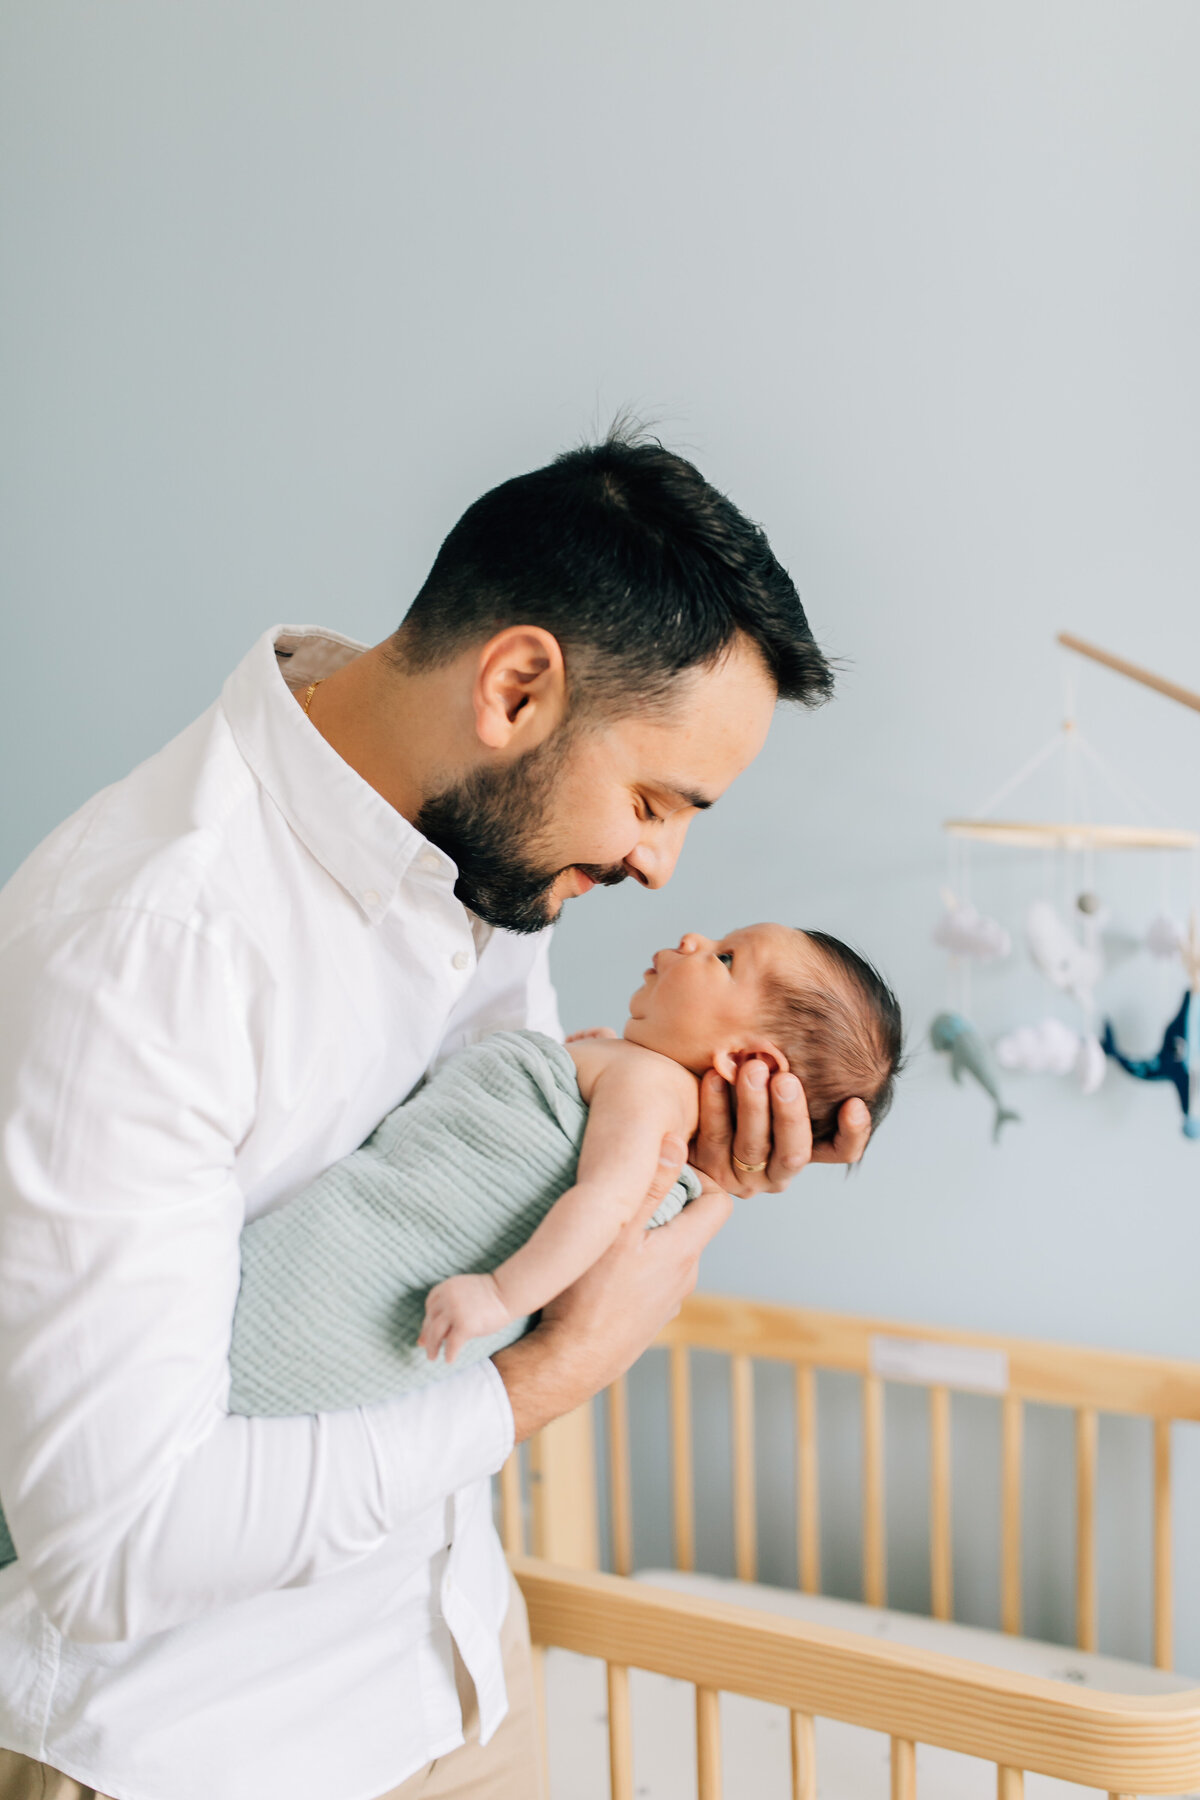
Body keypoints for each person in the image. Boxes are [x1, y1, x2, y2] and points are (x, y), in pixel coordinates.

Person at [0, 433, 871, 1800]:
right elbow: (114, 1547)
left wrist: (692, 1160)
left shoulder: (482, 855)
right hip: (206, 1748)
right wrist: (547, 1380)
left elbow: (489, 1175)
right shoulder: (152, 944)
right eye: (653, 802)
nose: (660, 865)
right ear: (516, 689)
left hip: (455, 1669)